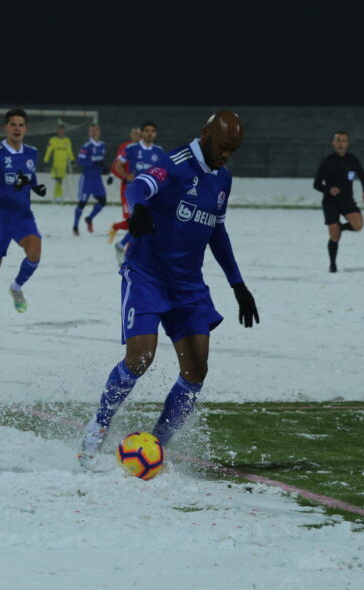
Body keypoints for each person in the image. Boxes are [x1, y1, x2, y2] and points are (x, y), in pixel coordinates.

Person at [78, 111, 259, 470]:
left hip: (189, 285)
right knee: (140, 359)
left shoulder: (223, 178)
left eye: (233, 150)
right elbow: (137, 185)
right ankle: (97, 427)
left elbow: (217, 232)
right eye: (223, 147)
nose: (226, 155)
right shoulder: (174, 162)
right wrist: (140, 208)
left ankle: (157, 446)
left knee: (196, 372)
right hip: (147, 274)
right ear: (206, 133)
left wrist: (238, 284)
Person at [0, 109, 47, 328]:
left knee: (35, 252)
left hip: (23, 217)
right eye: (13, 124)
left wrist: (36, 187)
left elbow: (29, 176)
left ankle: (16, 288)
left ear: (26, 128)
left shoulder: (32, 152)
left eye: (21, 125)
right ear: (6, 128)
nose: (17, 128)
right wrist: (12, 187)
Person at [313, 131, 364, 273]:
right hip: (330, 201)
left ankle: (341, 227)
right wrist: (328, 189)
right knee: (334, 236)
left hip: (347, 200)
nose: (341, 143)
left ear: (348, 144)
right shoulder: (327, 161)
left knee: (358, 226)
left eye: (344, 140)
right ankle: (332, 265)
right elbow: (316, 184)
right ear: (333, 143)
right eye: (338, 140)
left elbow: (362, 174)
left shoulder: (353, 160)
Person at [108, 122, 164, 243]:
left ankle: (123, 246)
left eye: (152, 131)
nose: (150, 133)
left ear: (155, 134)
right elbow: (118, 165)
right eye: (147, 131)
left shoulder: (159, 151)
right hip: (135, 191)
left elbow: (162, 171)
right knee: (138, 220)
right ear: (142, 133)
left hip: (152, 192)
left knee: (148, 222)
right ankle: (123, 246)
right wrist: (126, 176)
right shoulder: (131, 148)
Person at [72, 123, 109, 235]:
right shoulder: (86, 146)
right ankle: (75, 226)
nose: (94, 132)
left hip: (97, 179)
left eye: (96, 130)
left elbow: (101, 161)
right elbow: (80, 161)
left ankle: (89, 218)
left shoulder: (103, 145)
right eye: (91, 131)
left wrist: (103, 168)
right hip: (87, 179)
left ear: (99, 132)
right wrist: (94, 163)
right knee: (82, 202)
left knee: (102, 201)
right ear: (89, 133)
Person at [107, 126, 140, 243]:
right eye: (134, 133)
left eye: (138, 133)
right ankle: (117, 230)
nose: (136, 136)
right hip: (127, 186)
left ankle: (119, 232)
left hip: (142, 187)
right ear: (131, 135)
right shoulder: (125, 147)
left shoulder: (146, 150)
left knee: (139, 218)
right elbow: (117, 163)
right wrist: (112, 175)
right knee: (131, 218)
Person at [43, 123, 74, 202]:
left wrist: (72, 160)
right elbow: (48, 151)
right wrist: (46, 160)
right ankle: (58, 196)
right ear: (57, 131)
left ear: (64, 131)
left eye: (62, 130)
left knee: (60, 181)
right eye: (59, 130)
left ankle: (57, 197)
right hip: (55, 164)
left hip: (63, 165)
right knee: (58, 180)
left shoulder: (67, 141)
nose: (60, 132)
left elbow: (69, 151)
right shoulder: (53, 140)